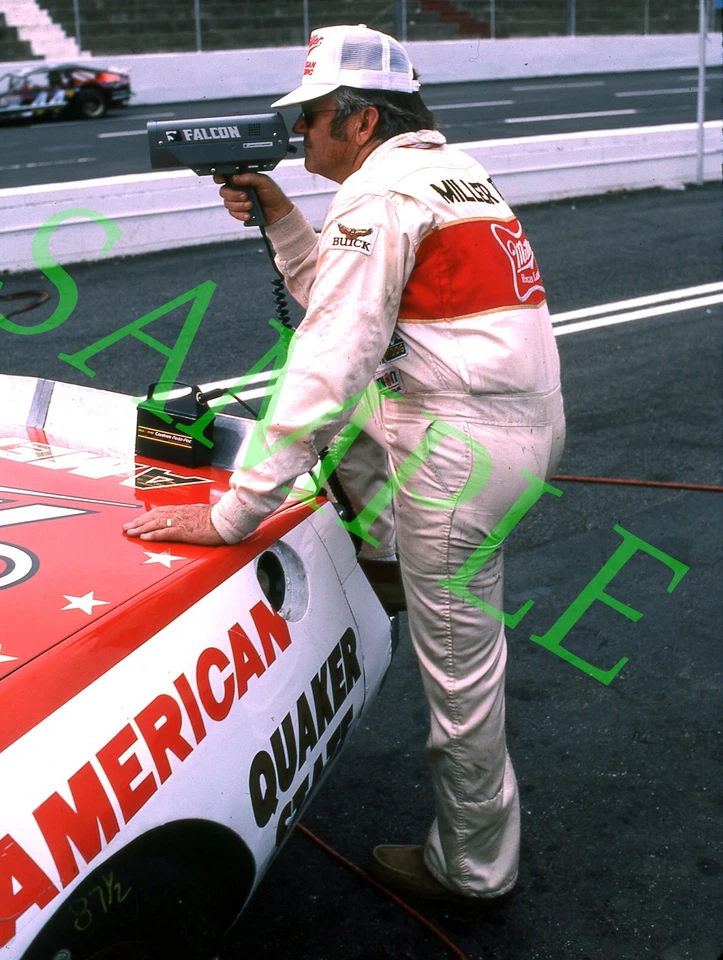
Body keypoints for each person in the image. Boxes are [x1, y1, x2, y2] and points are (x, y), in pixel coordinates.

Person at [124, 23, 565, 902]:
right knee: (348, 418)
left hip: (459, 454)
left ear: (358, 119)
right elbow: (344, 301)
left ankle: (474, 869)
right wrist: (285, 217)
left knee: (463, 678)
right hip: (499, 424)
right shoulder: (449, 173)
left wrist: (233, 512)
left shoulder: (377, 199)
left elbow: (328, 356)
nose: (298, 137)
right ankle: (388, 559)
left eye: (310, 118)